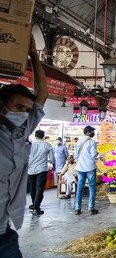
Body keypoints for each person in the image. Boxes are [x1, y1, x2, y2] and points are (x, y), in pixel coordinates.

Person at [0, 36, 48, 257]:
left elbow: (41, 95)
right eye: (18, 106)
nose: (23, 113)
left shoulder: (21, 133)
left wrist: (34, 55)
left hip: (4, 231)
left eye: (26, 110)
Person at [28, 129, 55, 215]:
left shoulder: (30, 145)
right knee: (40, 189)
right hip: (42, 169)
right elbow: (52, 159)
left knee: (33, 188)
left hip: (31, 169)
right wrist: (53, 164)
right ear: (43, 136)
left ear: (35, 136)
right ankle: (36, 207)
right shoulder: (47, 145)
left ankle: (34, 205)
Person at [74, 126, 99, 215]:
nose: (93, 133)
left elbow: (75, 156)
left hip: (80, 168)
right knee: (92, 188)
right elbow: (94, 154)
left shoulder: (78, 142)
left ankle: (77, 208)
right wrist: (98, 154)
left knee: (80, 188)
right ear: (88, 132)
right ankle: (91, 208)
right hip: (90, 167)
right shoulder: (91, 142)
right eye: (92, 131)